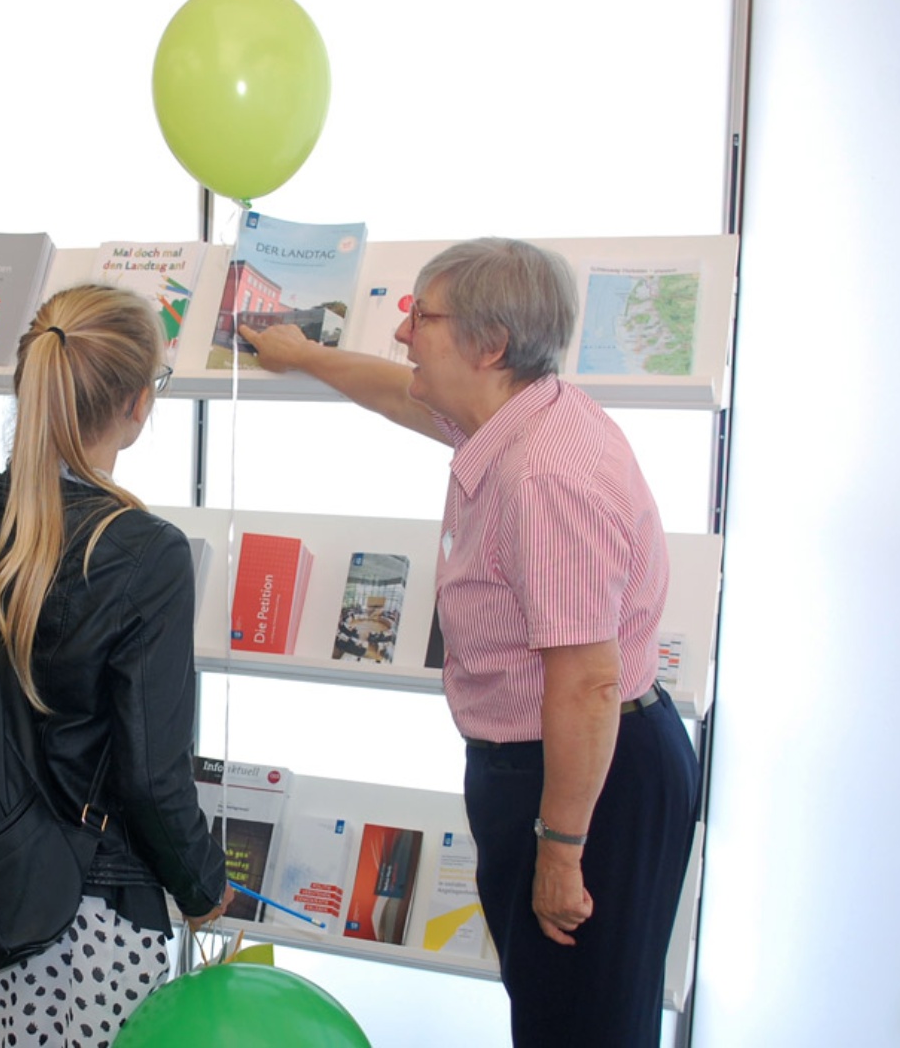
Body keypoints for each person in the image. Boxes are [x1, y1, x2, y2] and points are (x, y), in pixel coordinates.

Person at [240, 237, 699, 1048]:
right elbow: (397, 394)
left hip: (587, 778)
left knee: (579, 1029)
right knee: (562, 1016)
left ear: (490, 345)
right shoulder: (517, 411)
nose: (403, 332)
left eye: (423, 316)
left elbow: (588, 680)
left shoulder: (544, 475)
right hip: (565, 762)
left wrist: (561, 848)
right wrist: (304, 354)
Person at [0, 283, 232, 1048]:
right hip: (94, 909)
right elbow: (151, 774)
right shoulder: (147, 553)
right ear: (138, 402)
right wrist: (202, 886)